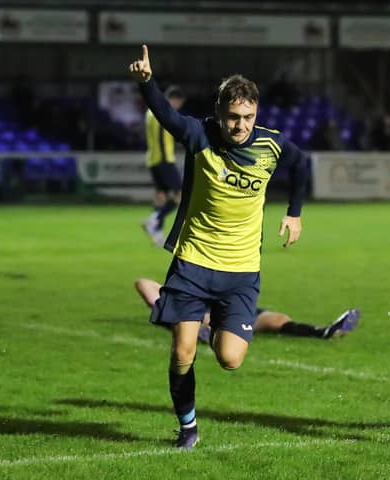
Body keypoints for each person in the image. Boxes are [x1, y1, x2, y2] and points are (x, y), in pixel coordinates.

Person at [129, 45, 309, 450]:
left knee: (230, 359)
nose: (240, 125)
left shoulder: (271, 145)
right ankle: (188, 426)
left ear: (256, 114)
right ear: (219, 112)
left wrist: (294, 212)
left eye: (248, 117)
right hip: (193, 262)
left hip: (241, 272)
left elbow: (302, 165)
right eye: (233, 117)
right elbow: (167, 115)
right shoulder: (200, 135)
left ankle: (201, 322)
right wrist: (147, 84)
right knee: (183, 351)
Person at [134, 278, 360, 341]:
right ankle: (203, 333)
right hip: (206, 314)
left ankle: (323, 332)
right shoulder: (183, 286)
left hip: (235, 307)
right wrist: (164, 307)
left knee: (278, 319)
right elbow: (142, 282)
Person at [141, 84, 186, 246]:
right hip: (164, 159)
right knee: (180, 196)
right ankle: (154, 220)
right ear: (174, 100)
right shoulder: (163, 111)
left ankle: (157, 233)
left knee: (162, 197)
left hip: (152, 160)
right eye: (179, 103)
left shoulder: (149, 112)